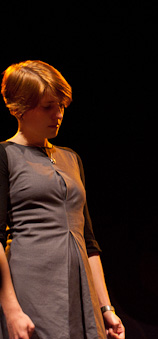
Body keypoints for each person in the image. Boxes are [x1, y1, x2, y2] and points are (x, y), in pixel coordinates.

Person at [0, 60, 125, 338]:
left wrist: (106, 307)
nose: (58, 114)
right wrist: (12, 310)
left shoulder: (71, 158)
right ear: (19, 108)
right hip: (32, 292)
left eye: (61, 106)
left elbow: (88, 241)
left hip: (81, 292)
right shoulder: (5, 156)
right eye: (47, 106)